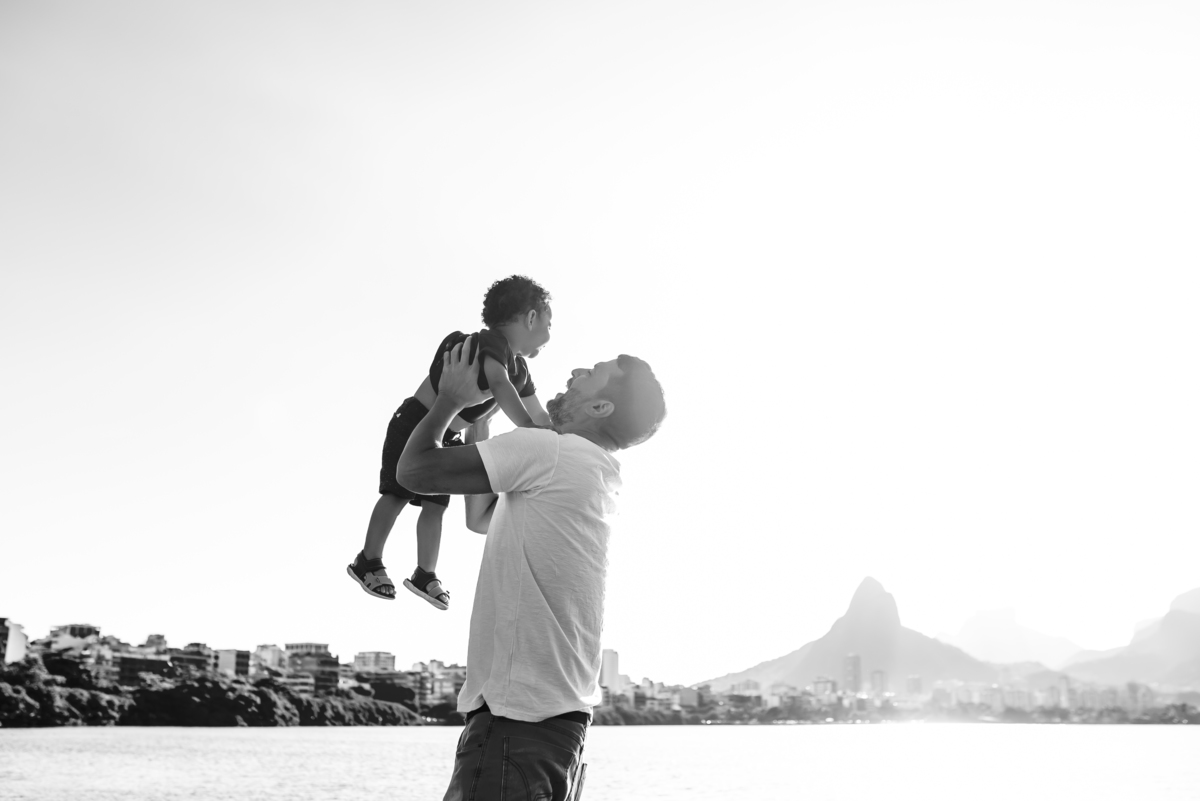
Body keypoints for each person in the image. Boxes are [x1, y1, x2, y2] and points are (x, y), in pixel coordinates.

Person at [397, 336, 666, 801]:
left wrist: (450, 401)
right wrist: (481, 427)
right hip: (556, 731)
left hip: (513, 726)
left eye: (591, 373)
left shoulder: (549, 452)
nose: (575, 372)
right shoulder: (596, 472)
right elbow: (482, 518)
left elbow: (414, 472)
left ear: (601, 407)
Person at [346, 276, 554, 609]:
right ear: (531, 318)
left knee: (436, 505)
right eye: (548, 323)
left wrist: (558, 434)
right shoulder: (490, 344)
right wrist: (528, 426)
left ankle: (425, 572)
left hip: (446, 435)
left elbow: (539, 415)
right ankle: (368, 559)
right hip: (416, 419)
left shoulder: (521, 371)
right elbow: (500, 386)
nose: (549, 334)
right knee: (397, 493)